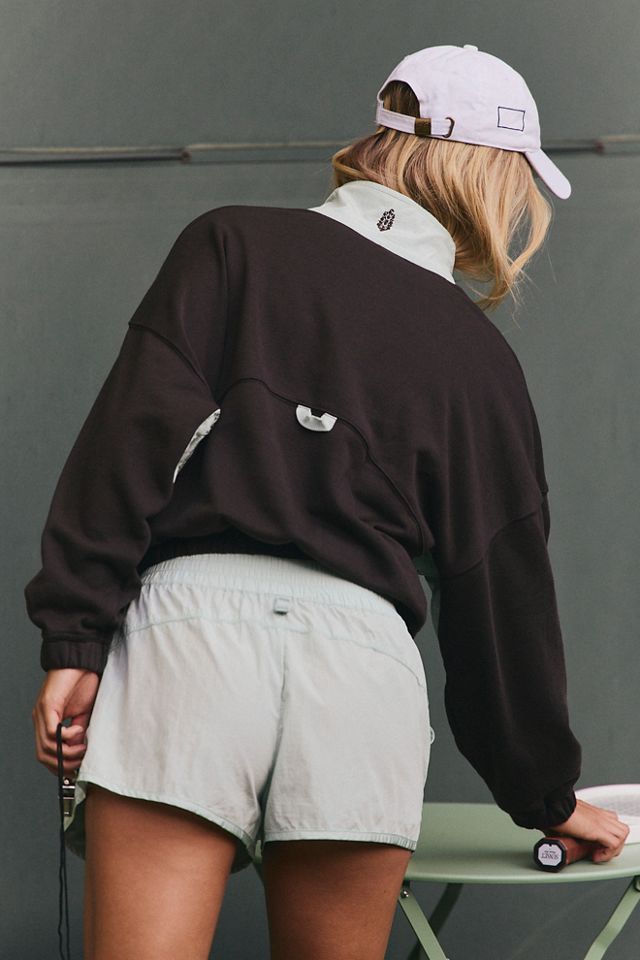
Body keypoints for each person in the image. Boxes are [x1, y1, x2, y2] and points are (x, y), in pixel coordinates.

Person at [26, 43, 629, 960]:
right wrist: (543, 795)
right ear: (496, 177)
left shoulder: (232, 245)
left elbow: (129, 447)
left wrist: (75, 641)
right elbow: (500, 603)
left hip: (190, 640)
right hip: (362, 668)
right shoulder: (482, 364)